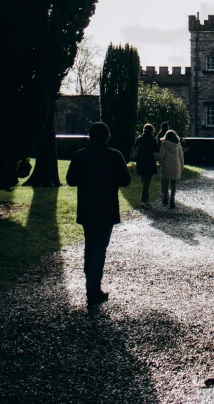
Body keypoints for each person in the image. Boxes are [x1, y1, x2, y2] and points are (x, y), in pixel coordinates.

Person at [66, 122, 131, 305]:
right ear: (107, 136)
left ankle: (90, 282)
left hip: (87, 206)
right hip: (106, 207)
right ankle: (93, 288)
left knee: (90, 244)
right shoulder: (114, 155)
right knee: (100, 247)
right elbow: (126, 180)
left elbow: (71, 180)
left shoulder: (80, 155)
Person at [134, 123, 159, 205]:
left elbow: (134, 147)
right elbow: (156, 150)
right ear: (152, 130)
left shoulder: (140, 138)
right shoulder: (153, 139)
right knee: (147, 181)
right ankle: (143, 200)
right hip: (149, 161)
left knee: (144, 180)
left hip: (141, 161)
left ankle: (146, 199)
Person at [159, 129, 184, 208]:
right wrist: (181, 166)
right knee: (173, 185)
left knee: (165, 183)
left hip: (166, 166)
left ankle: (165, 198)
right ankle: (172, 200)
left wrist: (154, 153)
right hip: (175, 166)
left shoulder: (164, 144)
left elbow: (161, 156)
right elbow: (181, 157)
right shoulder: (178, 145)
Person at [157, 121, 169, 197]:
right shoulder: (168, 135)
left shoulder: (159, 135)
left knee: (163, 175)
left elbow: (157, 145)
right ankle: (166, 191)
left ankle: (163, 191)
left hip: (162, 156)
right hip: (168, 156)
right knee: (168, 175)